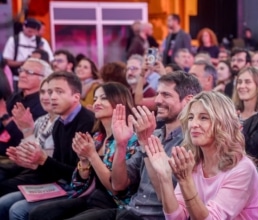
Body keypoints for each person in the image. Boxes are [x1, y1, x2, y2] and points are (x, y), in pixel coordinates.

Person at [64, 71, 202, 219]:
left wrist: (145, 145)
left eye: (166, 95)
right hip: (128, 210)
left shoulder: (192, 143)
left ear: (188, 101)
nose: (157, 100)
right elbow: (118, 185)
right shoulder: (154, 134)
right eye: (158, 93)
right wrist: (121, 145)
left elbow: (164, 198)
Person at [146, 91, 258, 219]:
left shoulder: (242, 169)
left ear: (223, 124)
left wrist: (185, 181)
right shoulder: (194, 163)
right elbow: (176, 217)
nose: (193, 125)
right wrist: (165, 178)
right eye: (191, 117)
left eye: (203, 117)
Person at [28, 82, 138, 220]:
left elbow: (117, 189)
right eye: (95, 98)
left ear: (120, 101)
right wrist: (83, 160)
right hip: (92, 196)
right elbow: (79, 184)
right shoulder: (98, 137)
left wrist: (92, 155)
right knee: (38, 213)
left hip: (117, 204)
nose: (97, 102)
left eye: (103, 98)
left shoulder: (131, 139)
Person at [0, 71, 95, 219]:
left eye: (59, 92)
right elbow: (56, 168)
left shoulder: (87, 122)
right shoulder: (59, 123)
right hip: (59, 183)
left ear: (76, 97)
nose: (52, 97)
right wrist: (32, 163)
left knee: (17, 209)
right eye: (49, 92)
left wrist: (42, 160)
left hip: (81, 190)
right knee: (4, 203)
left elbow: (81, 177)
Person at [233, 66, 258, 166]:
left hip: (252, 167)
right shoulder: (231, 111)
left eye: (247, 82)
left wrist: (238, 126)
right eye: (239, 82)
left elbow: (254, 151)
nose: (242, 86)